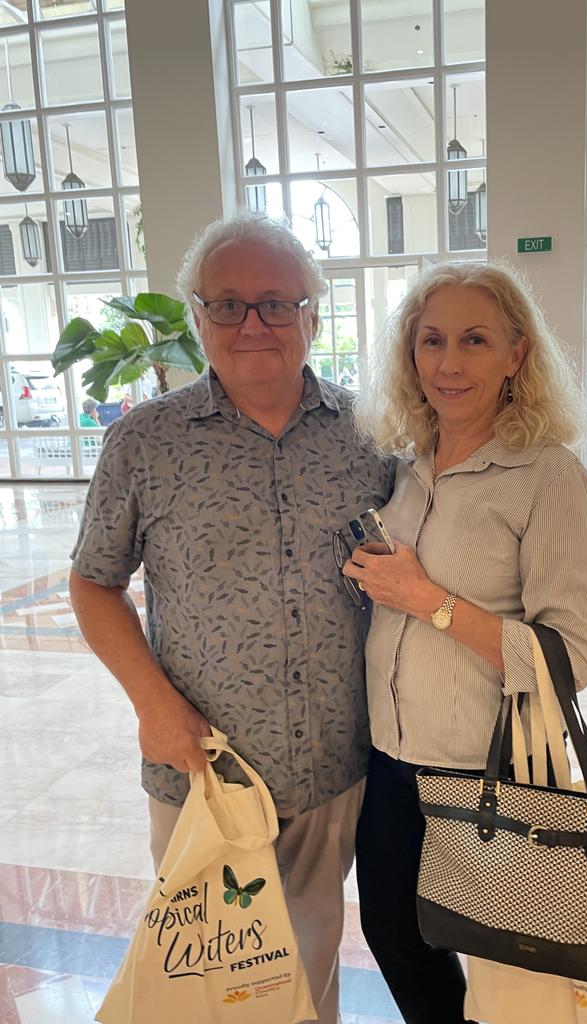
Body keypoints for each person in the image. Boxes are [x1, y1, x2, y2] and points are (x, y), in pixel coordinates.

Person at [68, 214, 393, 1024]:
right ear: (197, 318)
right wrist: (152, 705)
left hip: (330, 769)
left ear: (313, 315)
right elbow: (93, 583)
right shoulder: (144, 443)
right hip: (201, 771)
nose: (254, 324)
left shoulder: (371, 439)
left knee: (308, 976)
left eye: (278, 304)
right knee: (206, 989)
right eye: (230, 305)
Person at [342, 262, 587, 1024]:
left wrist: (430, 601)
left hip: (486, 771)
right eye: (432, 341)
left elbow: (570, 657)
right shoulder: (409, 469)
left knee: (503, 970)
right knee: (393, 934)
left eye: (475, 340)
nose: (449, 364)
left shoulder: (547, 476)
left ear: (517, 354)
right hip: (390, 762)